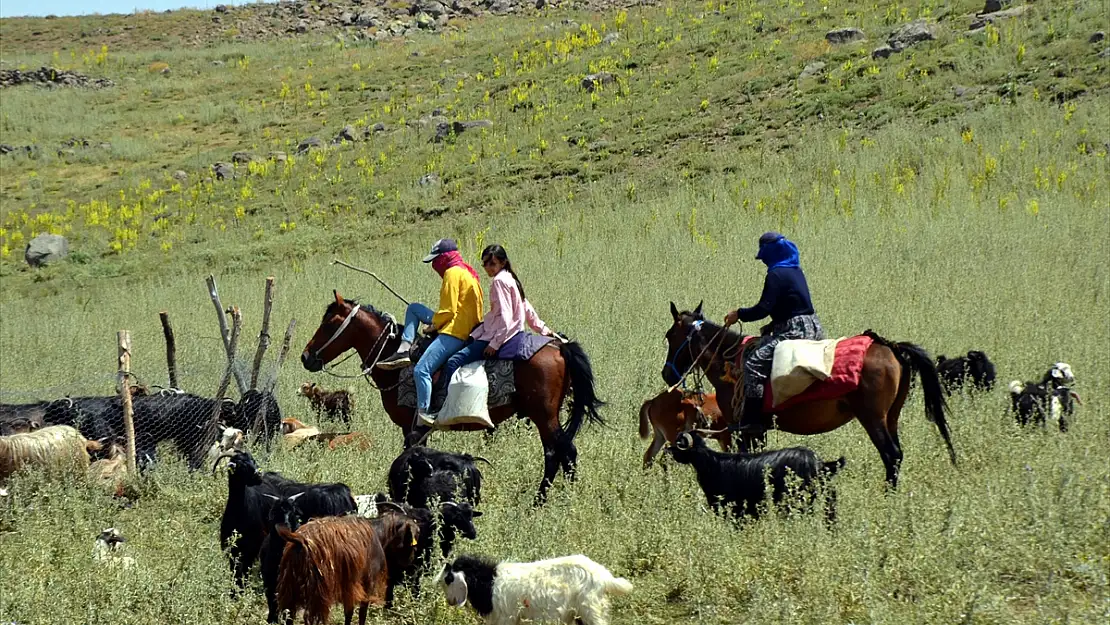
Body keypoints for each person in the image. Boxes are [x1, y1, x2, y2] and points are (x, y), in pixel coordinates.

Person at [723, 232, 825, 434]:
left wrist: (739, 314)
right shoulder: (795, 270)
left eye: (764, 257)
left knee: (752, 363)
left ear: (772, 253)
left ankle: (752, 421)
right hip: (813, 327)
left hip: (794, 331)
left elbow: (763, 308)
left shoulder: (776, 274)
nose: (763, 262)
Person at [377, 238, 484, 426]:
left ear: (444, 257)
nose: (434, 265)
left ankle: (424, 414)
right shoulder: (468, 273)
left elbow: (449, 311)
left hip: (454, 331)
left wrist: (433, 326)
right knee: (414, 308)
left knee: (421, 370)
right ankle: (404, 347)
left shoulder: (452, 273)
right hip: (463, 326)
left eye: (436, 260)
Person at [438, 245, 556, 387]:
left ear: (503, 262)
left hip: (498, 334)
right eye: (485, 264)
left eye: (492, 263)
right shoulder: (510, 277)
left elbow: (506, 316)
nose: (488, 267)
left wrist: (495, 343)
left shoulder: (499, 281)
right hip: (513, 332)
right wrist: (543, 330)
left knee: (453, 361)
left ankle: (445, 403)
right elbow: (525, 307)